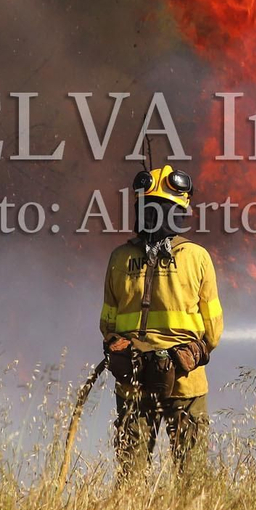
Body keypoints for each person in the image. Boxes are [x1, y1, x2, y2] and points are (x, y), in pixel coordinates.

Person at [98, 164, 223, 477]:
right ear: (179, 211)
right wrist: (189, 351)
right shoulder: (197, 257)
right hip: (186, 381)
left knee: (131, 473)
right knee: (192, 476)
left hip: (133, 382)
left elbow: (107, 325)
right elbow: (213, 330)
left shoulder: (120, 258)